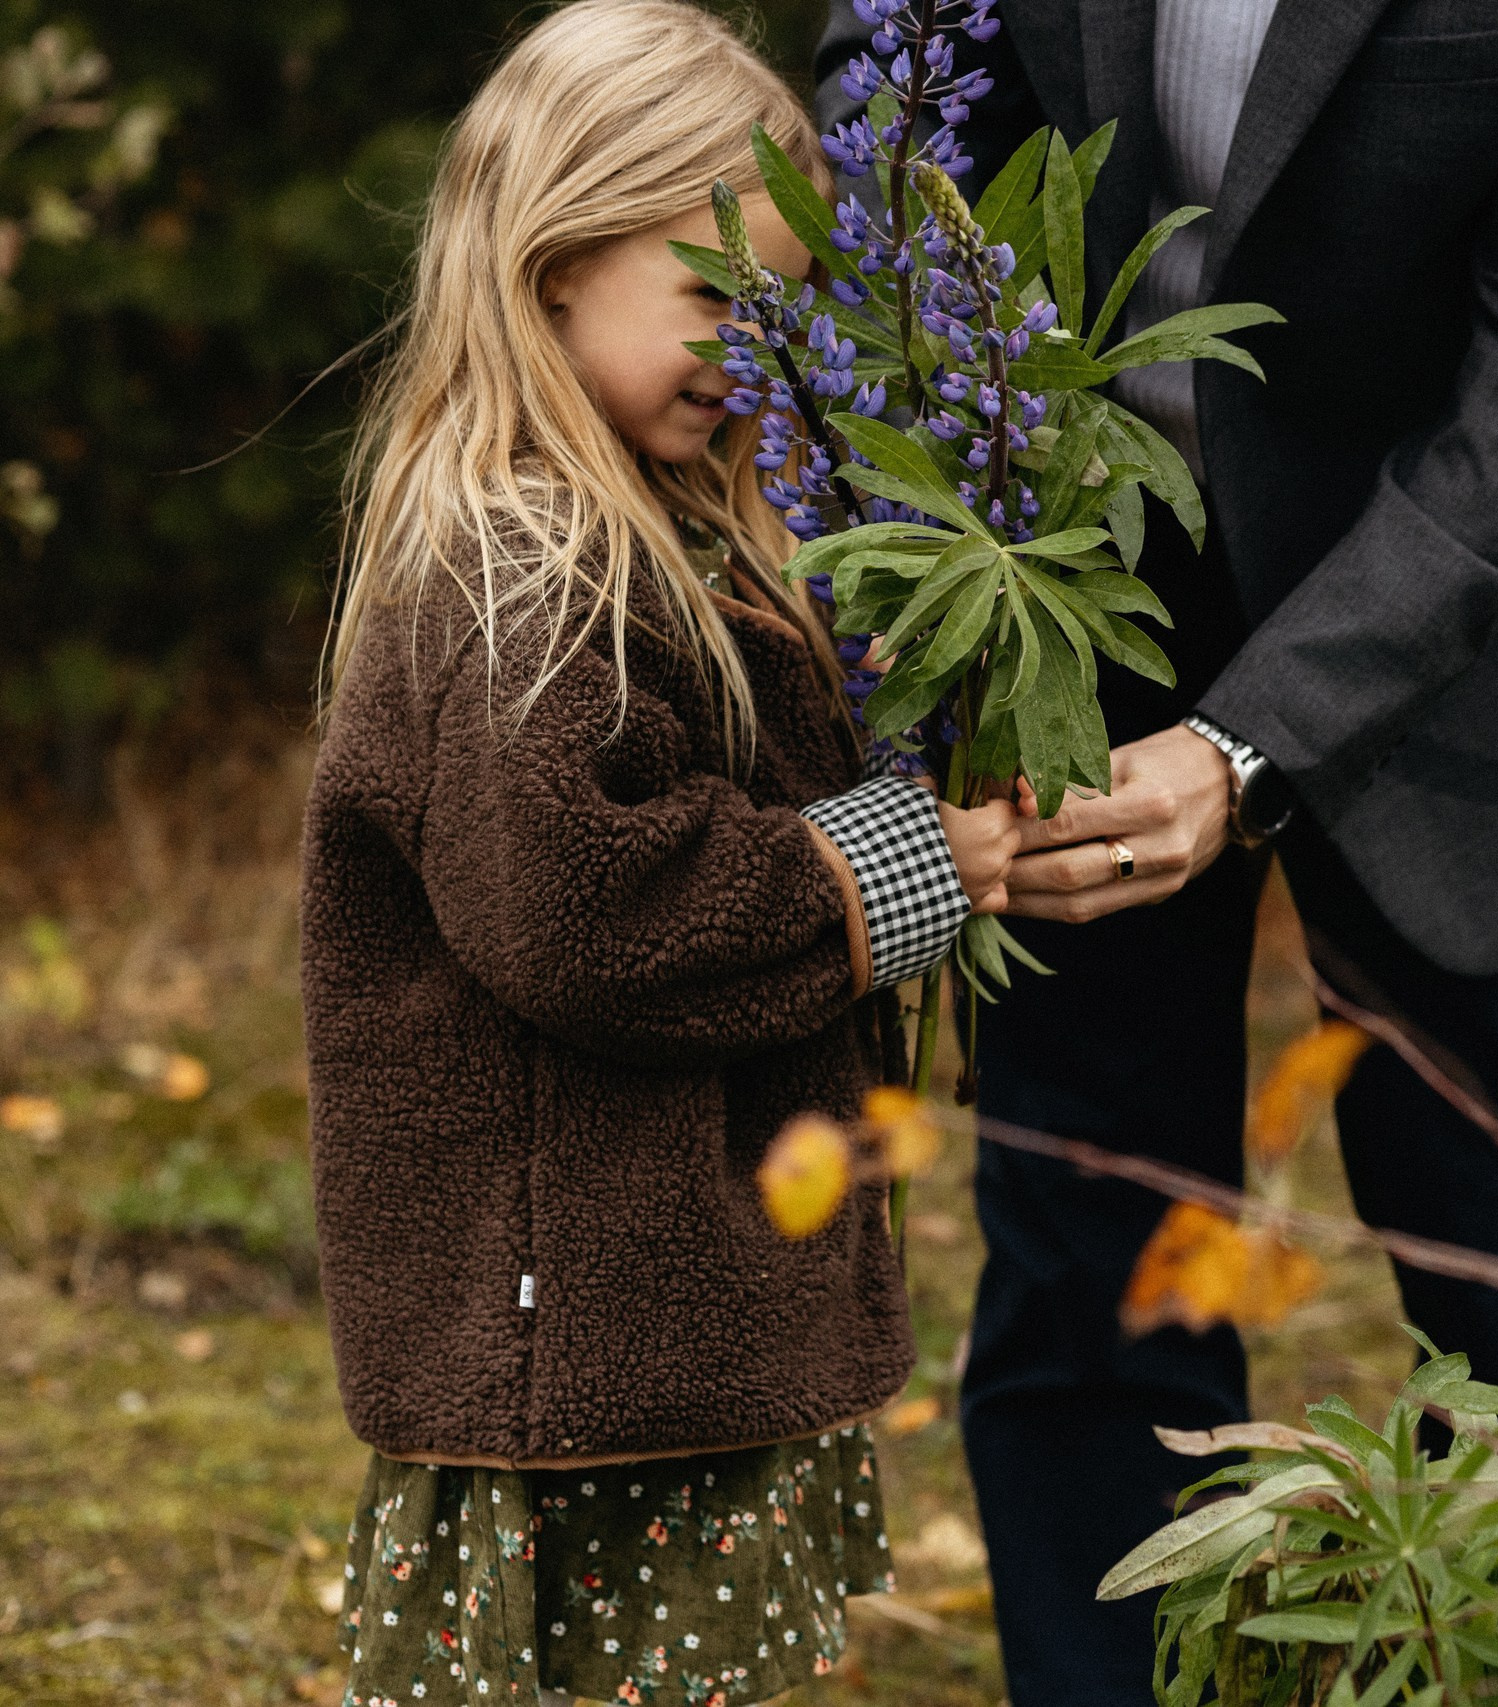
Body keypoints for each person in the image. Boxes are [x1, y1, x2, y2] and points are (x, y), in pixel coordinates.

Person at [817, 0, 1498, 1700]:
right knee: (1084, 1244)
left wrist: (1249, 750)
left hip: (1477, 613)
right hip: (1070, 568)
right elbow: (889, 90)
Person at [301, 4, 1021, 1702]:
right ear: (553, 263)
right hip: (576, 1354)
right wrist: (907, 864)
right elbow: (594, 913)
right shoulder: (516, 578)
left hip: (667, 1316)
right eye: (714, 296)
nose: (751, 348)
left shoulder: (679, 531)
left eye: (784, 308)